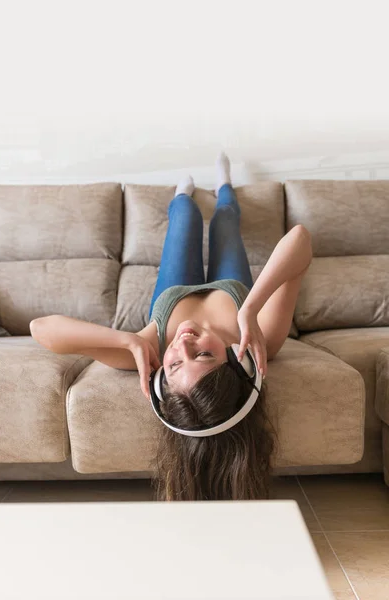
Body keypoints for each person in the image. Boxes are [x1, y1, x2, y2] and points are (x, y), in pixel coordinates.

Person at [30, 152, 313, 501]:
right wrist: (251, 308)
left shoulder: (151, 349)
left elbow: (40, 328)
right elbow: (300, 239)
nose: (183, 343)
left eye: (176, 363)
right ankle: (225, 184)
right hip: (232, 286)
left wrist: (128, 341)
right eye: (204, 355)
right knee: (225, 218)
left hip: (173, 291)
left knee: (185, 214)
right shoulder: (257, 341)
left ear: (163, 377)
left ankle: (184, 192)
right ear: (236, 363)